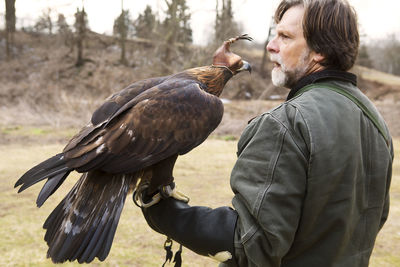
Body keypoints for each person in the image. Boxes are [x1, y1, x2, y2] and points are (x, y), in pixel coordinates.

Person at [137, 0, 394, 266]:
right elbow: (374, 218)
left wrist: (163, 209)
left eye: (285, 36)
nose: (271, 45)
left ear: (320, 51)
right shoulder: (375, 121)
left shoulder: (286, 123)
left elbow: (249, 244)